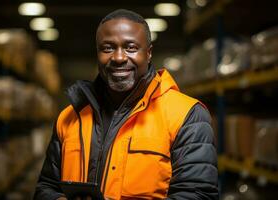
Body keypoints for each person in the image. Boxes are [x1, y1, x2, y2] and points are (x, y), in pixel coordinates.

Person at [34, 9, 218, 200]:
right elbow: (45, 188)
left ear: (148, 53)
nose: (119, 57)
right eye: (107, 48)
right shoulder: (70, 117)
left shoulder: (186, 116)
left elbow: (197, 195)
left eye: (131, 47)